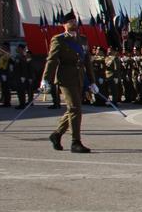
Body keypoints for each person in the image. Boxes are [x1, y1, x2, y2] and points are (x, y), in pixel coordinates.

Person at [39, 12, 98, 153]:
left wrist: (92, 81)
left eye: (74, 21)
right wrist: (45, 79)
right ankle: (75, 142)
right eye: (70, 21)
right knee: (75, 108)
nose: (73, 23)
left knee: (73, 109)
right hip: (65, 78)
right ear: (63, 25)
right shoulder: (58, 40)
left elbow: (87, 62)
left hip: (79, 78)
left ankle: (57, 134)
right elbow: (52, 60)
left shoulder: (82, 39)